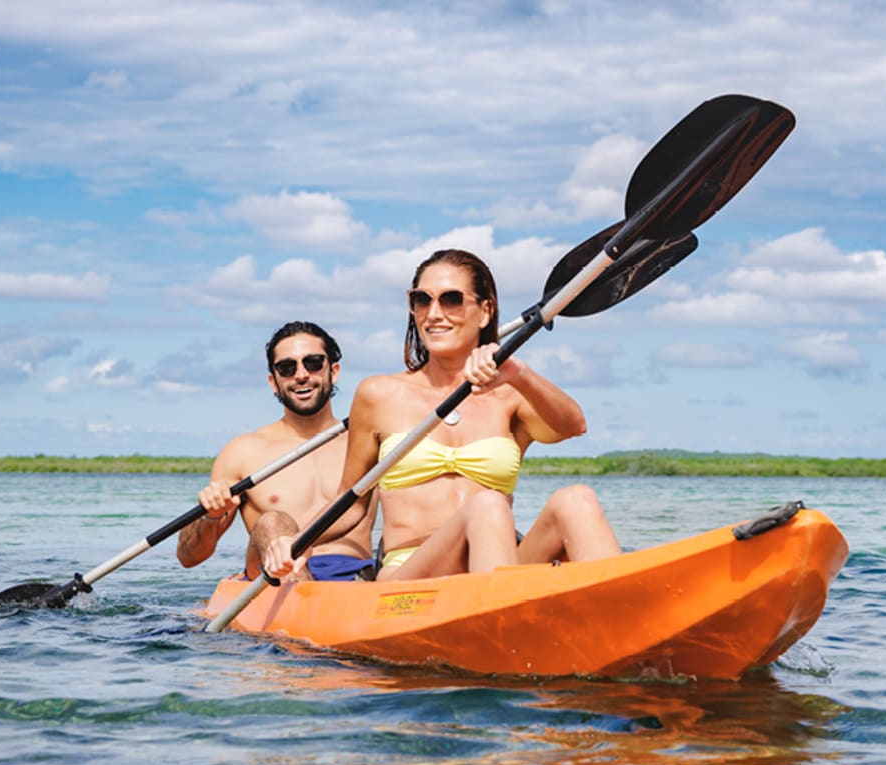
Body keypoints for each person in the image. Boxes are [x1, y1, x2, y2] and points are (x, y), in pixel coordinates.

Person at [265, 248, 620, 583]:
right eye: (422, 300)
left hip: (499, 564)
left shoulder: (510, 394)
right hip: (412, 572)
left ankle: (628, 620)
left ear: (484, 311)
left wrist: (518, 373)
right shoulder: (379, 394)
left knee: (577, 500)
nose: (434, 314)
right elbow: (352, 503)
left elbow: (574, 425)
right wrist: (296, 541)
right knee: (487, 506)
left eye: (450, 299)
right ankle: (498, 624)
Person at [177, 321, 376, 582]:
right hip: (272, 580)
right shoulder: (243, 451)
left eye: (313, 363)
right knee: (273, 522)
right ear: (273, 381)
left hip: (355, 575)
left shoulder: (367, 441)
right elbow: (189, 557)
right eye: (287, 368)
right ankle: (305, 608)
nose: (301, 375)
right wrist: (210, 517)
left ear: (334, 371)